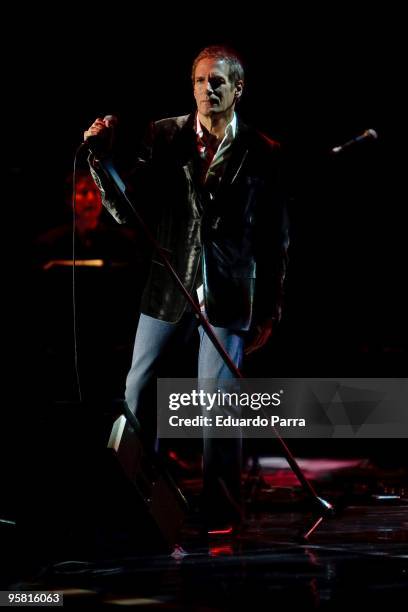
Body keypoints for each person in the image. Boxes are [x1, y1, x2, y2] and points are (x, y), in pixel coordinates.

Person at [85, 45, 289, 533]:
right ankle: (136, 498)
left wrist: (270, 308)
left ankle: (222, 513)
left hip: (229, 291)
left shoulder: (263, 150)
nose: (208, 89)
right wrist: (100, 156)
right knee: (138, 389)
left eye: (218, 81)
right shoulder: (165, 135)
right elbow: (124, 204)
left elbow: (274, 237)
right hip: (169, 284)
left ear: (238, 88)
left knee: (217, 402)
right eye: (200, 80)